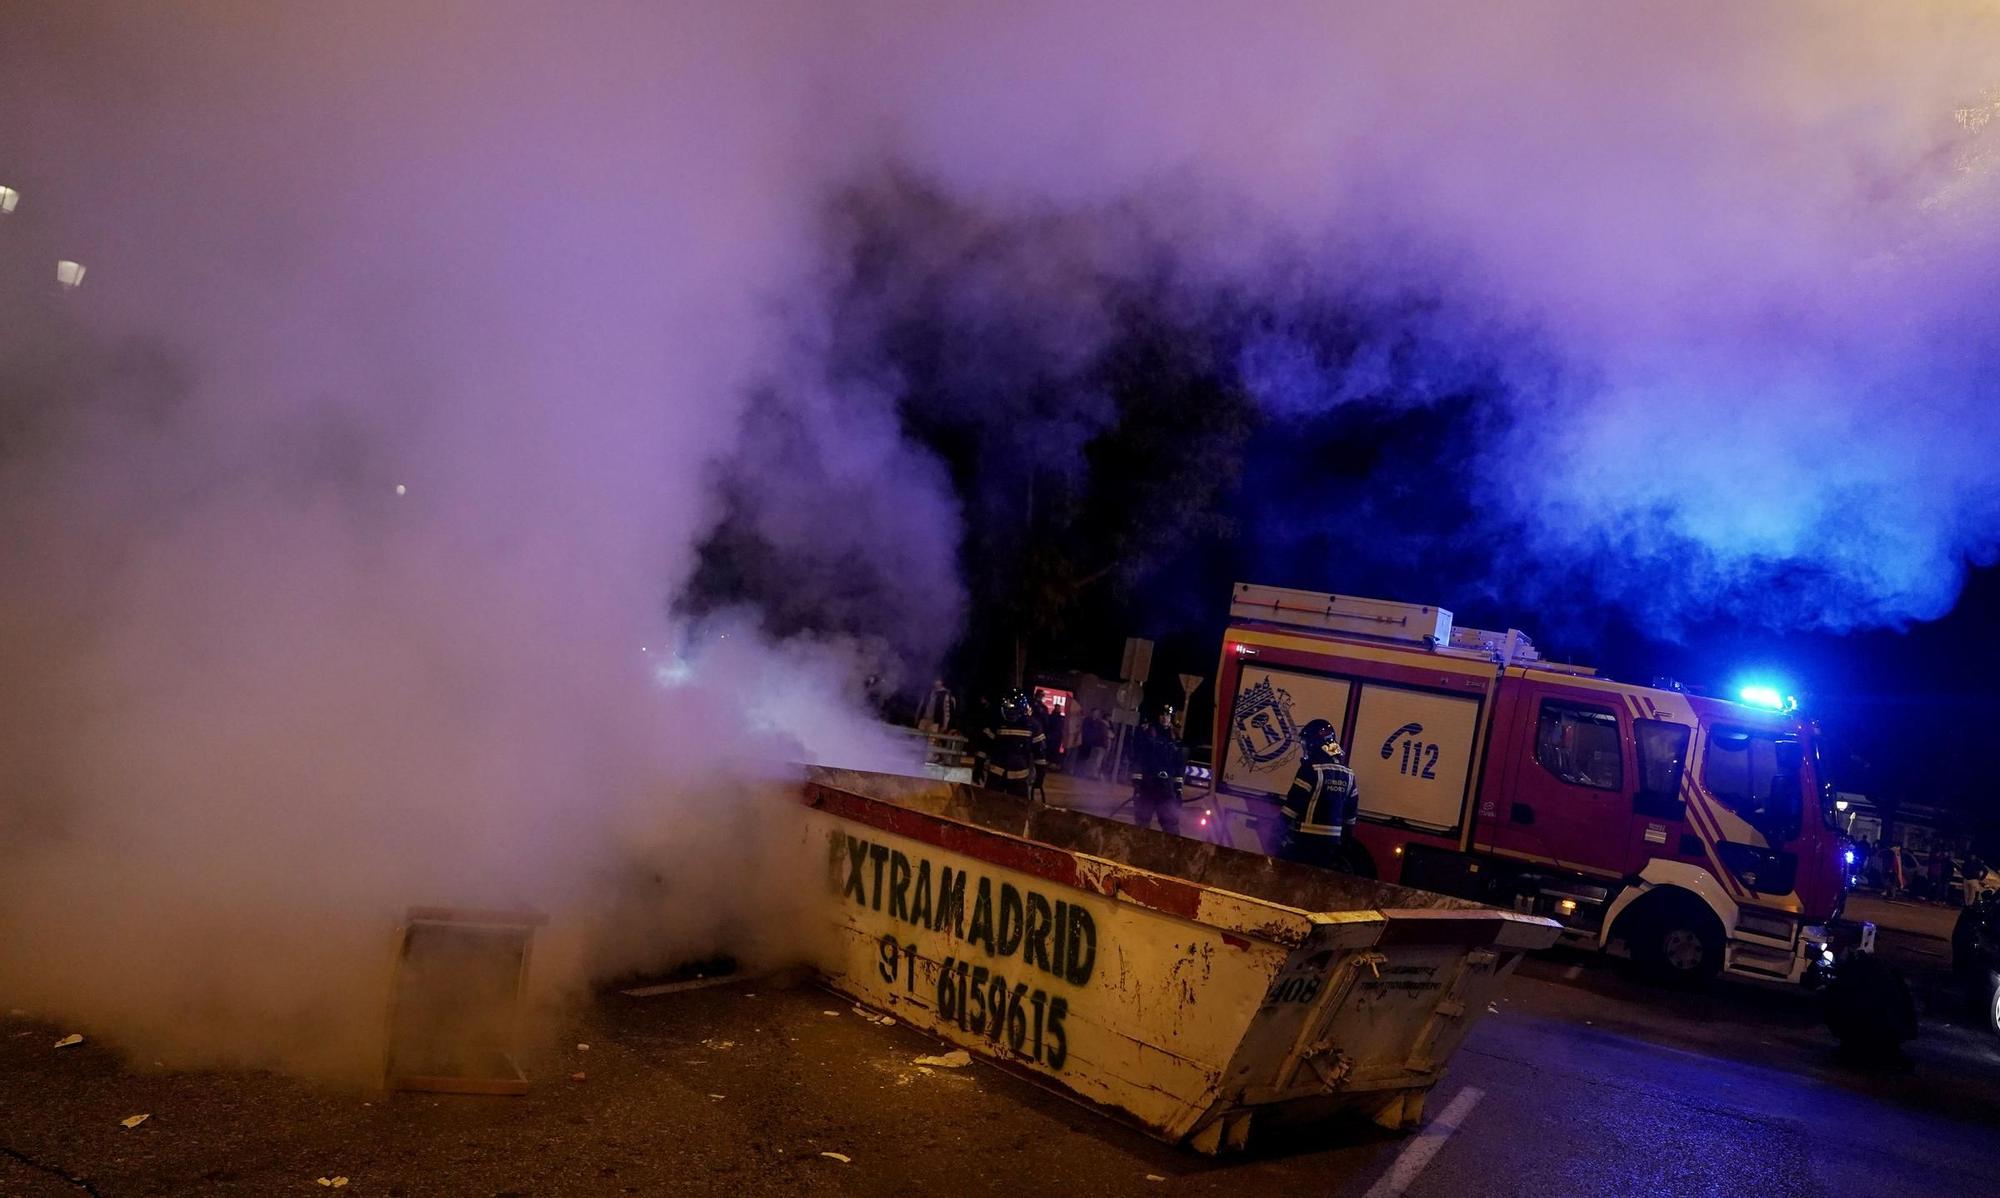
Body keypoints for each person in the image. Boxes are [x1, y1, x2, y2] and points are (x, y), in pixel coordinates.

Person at [1281, 719, 1361, 871]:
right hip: (1332, 842)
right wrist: (1346, 838)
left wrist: (1276, 829)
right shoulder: (1348, 773)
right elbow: (1351, 813)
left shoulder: (1311, 769)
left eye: (1305, 743)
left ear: (1312, 744)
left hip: (1305, 840)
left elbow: (1293, 805)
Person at [975, 691, 1047, 800]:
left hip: (1013, 777)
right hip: (1000, 775)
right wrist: (978, 766)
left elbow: (1040, 754)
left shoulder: (1032, 725)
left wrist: (1040, 777)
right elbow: (984, 746)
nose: (1010, 711)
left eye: (1013, 708)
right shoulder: (997, 722)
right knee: (991, 808)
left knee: (1013, 811)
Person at [1130, 704, 1188, 835]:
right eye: (1162, 715)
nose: (1164, 718)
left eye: (1167, 716)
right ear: (1158, 717)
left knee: (1171, 825)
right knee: (1141, 824)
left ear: (1170, 718)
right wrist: (1137, 785)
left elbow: (1178, 767)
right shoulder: (1148, 734)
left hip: (1166, 789)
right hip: (1148, 786)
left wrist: (1178, 789)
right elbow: (1139, 759)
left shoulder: (1175, 739)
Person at [1079, 709, 1110, 780]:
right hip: (1091, 743)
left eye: (1097, 713)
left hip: (1096, 744)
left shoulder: (1100, 723)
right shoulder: (1090, 721)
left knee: (1095, 761)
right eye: (1095, 713)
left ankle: (1091, 774)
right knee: (1093, 760)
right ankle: (1089, 773)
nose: (1096, 714)